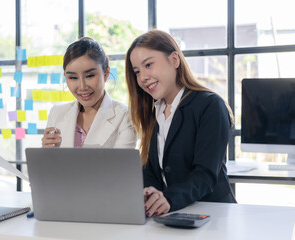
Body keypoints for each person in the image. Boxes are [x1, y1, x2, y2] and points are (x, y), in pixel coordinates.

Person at [125, 30, 236, 217]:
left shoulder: (209, 105)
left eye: (149, 65)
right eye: (137, 71)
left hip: (214, 215)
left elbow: (205, 175)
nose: (143, 77)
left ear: (174, 60)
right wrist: (150, 194)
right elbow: (150, 169)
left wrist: (168, 199)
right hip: (172, 217)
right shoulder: (154, 112)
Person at [42, 37, 136, 148]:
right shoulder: (57, 113)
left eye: (89, 76)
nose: (82, 87)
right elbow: (49, 164)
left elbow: (122, 164)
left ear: (105, 74)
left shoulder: (126, 116)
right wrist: (48, 152)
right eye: (72, 77)